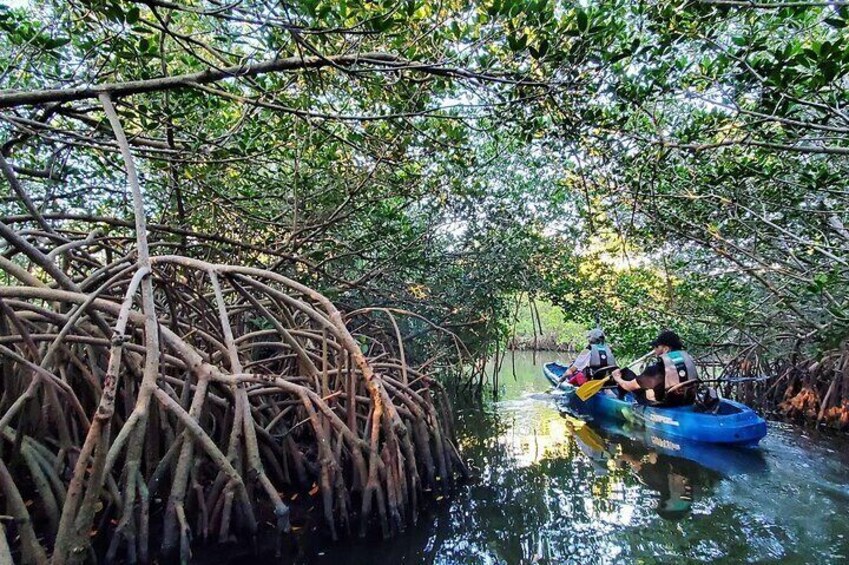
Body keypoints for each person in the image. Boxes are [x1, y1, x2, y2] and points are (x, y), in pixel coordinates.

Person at [610, 330, 698, 406]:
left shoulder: (655, 371)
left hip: (663, 406)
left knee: (626, 373)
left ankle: (619, 401)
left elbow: (627, 386)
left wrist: (617, 378)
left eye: (656, 346)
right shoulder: (688, 364)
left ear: (666, 349)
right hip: (686, 403)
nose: (654, 349)